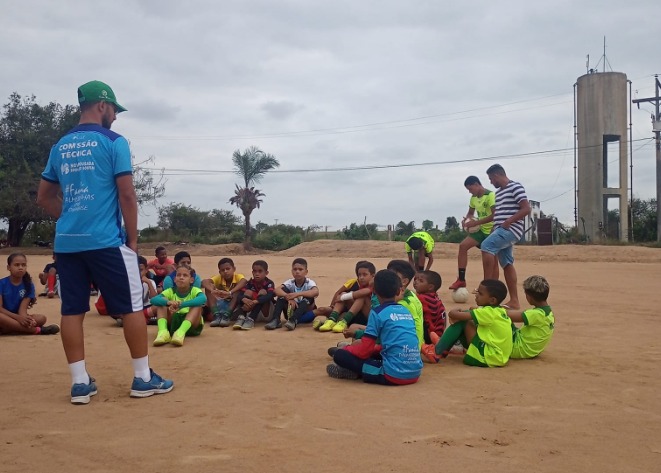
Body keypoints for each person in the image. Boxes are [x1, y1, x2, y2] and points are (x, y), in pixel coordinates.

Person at [37, 80, 173, 404]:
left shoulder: (60, 146)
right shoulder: (114, 142)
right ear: (102, 105)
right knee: (130, 308)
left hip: (67, 243)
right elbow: (127, 193)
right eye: (114, 109)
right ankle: (142, 378)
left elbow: (44, 197)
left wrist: (71, 219)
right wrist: (133, 240)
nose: (115, 116)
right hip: (106, 242)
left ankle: (80, 383)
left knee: (72, 310)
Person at [327, 270, 423, 385]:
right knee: (376, 352)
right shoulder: (406, 311)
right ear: (398, 291)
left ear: (375, 291)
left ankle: (355, 372)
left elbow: (364, 351)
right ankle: (359, 364)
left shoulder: (377, 313)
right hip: (415, 372)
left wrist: (347, 350)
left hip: (392, 375)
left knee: (340, 356)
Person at [480, 164, 531, 309]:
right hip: (500, 230)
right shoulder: (499, 193)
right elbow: (498, 216)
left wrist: (509, 221)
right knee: (507, 263)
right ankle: (514, 301)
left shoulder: (515, 187)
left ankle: (486, 289)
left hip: (510, 229)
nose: (490, 182)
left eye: (491, 179)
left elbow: (526, 208)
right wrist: (494, 230)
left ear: (497, 175)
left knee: (486, 246)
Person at [432, 279, 512, 367]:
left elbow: (453, 314)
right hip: (498, 357)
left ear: (492, 300)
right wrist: (463, 313)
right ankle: (446, 347)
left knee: (464, 322)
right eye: (477, 291)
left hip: (485, 357)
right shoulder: (499, 311)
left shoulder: (488, 312)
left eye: (480, 294)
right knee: (471, 320)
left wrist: (456, 312)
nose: (476, 295)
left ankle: (436, 350)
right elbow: (472, 310)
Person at [449, 176, 497, 290]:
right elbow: (470, 213)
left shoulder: (491, 195)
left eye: (470, 189)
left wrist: (476, 222)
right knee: (463, 246)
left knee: (492, 260)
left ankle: (488, 286)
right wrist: (466, 220)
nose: (469, 191)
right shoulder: (473, 198)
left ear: (476, 184)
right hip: (480, 230)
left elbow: (495, 215)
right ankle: (461, 279)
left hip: (492, 230)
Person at [0, 253, 60, 336]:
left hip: (16, 317)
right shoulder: (2, 283)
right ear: (8, 267)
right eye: (17, 265)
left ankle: (9, 329)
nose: (20, 268)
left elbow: (22, 310)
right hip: (4, 315)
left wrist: (26, 319)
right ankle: (37, 330)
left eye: (23, 265)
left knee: (41, 319)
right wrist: (18, 318)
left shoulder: (28, 285)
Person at [151, 264, 206, 347]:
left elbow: (203, 299)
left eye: (185, 275)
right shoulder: (170, 291)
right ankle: (163, 332)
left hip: (191, 325)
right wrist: (168, 303)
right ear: (175, 279)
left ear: (191, 280)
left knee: (197, 305)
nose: (181, 277)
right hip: (173, 322)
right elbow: (153, 300)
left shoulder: (195, 290)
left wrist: (181, 305)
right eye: (178, 275)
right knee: (161, 303)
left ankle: (180, 332)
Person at [317, 260, 376, 333]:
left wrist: (344, 297)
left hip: (371, 317)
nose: (361, 277)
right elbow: (338, 293)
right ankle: (331, 320)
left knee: (360, 297)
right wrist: (341, 297)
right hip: (358, 314)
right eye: (359, 275)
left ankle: (343, 321)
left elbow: (364, 292)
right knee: (343, 295)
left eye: (364, 275)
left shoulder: (375, 285)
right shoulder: (360, 284)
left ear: (373, 276)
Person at [506, 275, 555, 359]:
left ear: (529, 297)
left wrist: (493, 308)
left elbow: (506, 315)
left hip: (518, 349)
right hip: (531, 351)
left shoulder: (536, 314)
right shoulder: (549, 313)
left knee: (497, 318)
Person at [266, 258, 319, 331]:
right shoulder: (290, 282)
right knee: (282, 293)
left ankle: (293, 320)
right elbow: (276, 290)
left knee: (309, 297)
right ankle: (276, 319)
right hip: (290, 314)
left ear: (306, 272)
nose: (297, 272)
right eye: (295, 269)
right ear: (292, 271)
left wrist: (296, 294)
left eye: (300, 269)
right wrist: (288, 298)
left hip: (305, 314)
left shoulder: (309, 282)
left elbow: (316, 292)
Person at [203, 257, 247, 328]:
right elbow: (204, 282)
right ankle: (216, 315)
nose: (225, 271)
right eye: (223, 270)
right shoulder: (219, 278)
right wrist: (213, 290)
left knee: (238, 290)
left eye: (228, 269)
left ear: (234, 269)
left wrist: (229, 293)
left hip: (233, 307)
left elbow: (244, 281)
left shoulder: (238, 276)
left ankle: (227, 316)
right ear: (220, 272)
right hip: (220, 304)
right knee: (209, 287)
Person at [233, 260, 275, 331]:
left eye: (260, 271)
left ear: (266, 273)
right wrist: (244, 299)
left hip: (266, 313)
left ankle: (251, 319)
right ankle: (242, 317)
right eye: (254, 271)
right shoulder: (250, 283)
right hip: (252, 310)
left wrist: (256, 301)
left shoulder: (269, 283)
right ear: (252, 272)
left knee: (263, 292)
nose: (257, 274)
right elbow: (240, 295)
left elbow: (270, 295)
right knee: (247, 292)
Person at [413, 270, 447, 342]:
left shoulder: (421, 298)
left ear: (430, 287)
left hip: (429, 336)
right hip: (438, 335)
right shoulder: (436, 298)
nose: (416, 282)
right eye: (415, 279)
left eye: (421, 281)